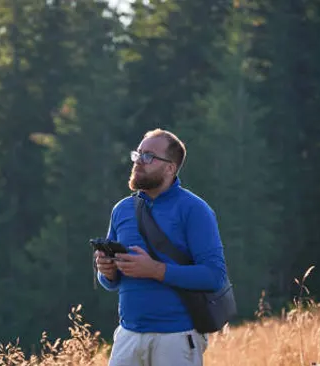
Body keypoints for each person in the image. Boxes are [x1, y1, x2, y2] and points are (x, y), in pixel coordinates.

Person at [95, 128, 229, 366]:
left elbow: (214, 276)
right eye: (138, 154)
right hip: (128, 335)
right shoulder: (121, 209)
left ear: (170, 168)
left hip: (177, 338)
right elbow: (110, 282)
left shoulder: (195, 209)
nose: (138, 162)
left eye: (148, 157)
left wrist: (155, 270)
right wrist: (106, 271)